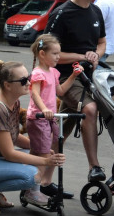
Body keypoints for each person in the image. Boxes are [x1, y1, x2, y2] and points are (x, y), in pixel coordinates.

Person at [0, 60, 66, 213]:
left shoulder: (13, 103)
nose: (29, 82)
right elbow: (9, 153)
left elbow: (14, 136)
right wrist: (45, 160)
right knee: (33, 175)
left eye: (28, 77)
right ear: (7, 85)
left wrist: (39, 149)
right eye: (23, 80)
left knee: (40, 153)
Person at [45, 0, 108, 183]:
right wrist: (82, 56)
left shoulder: (96, 11)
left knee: (59, 132)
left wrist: (97, 55)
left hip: (89, 77)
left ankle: (40, 182)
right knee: (90, 110)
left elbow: (102, 42)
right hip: (65, 77)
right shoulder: (62, 14)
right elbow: (47, 54)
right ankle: (95, 167)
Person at [27, 35, 83, 197]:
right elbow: (35, 95)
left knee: (52, 150)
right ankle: (33, 189)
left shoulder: (53, 72)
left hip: (50, 118)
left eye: (59, 53)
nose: (59, 56)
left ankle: (42, 183)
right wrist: (44, 109)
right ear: (42, 54)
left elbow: (60, 91)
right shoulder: (38, 73)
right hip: (38, 118)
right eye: (55, 53)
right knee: (44, 154)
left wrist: (73, 75)